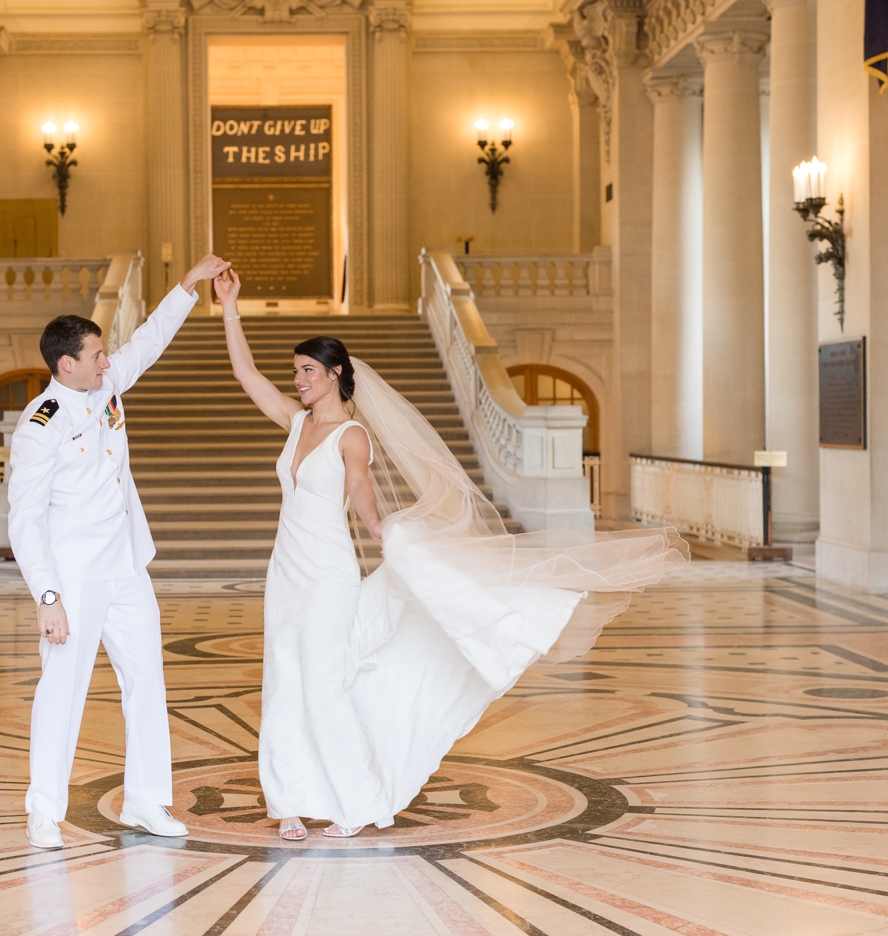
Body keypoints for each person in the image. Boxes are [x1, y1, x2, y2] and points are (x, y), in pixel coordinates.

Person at [214, 267, 689, 840]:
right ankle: (288, 802)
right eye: (295, 372)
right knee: (282, 681)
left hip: (327, 576)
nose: (299, 380)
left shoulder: (351, 436)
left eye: (308, 371)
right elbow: (244, 375)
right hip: (284, 574)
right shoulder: (295, 425)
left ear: (336, 374)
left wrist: (378, 527)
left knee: (323, 686)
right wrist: (230, 307)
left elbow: (361, 490)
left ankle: (357, 800)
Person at [9, 253, 233, 849]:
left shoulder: (106, 385)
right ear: (67, 364)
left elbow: (148, 341)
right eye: (96, 354)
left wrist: (190, 285)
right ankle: (43, 810)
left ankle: (146, 802)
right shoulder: (40, 424)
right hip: (75, 578)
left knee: (147, 682)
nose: (108, 361)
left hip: (127, 568)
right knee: (62, 691)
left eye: (105, 353)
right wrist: (48, 596)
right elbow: (25, 520)